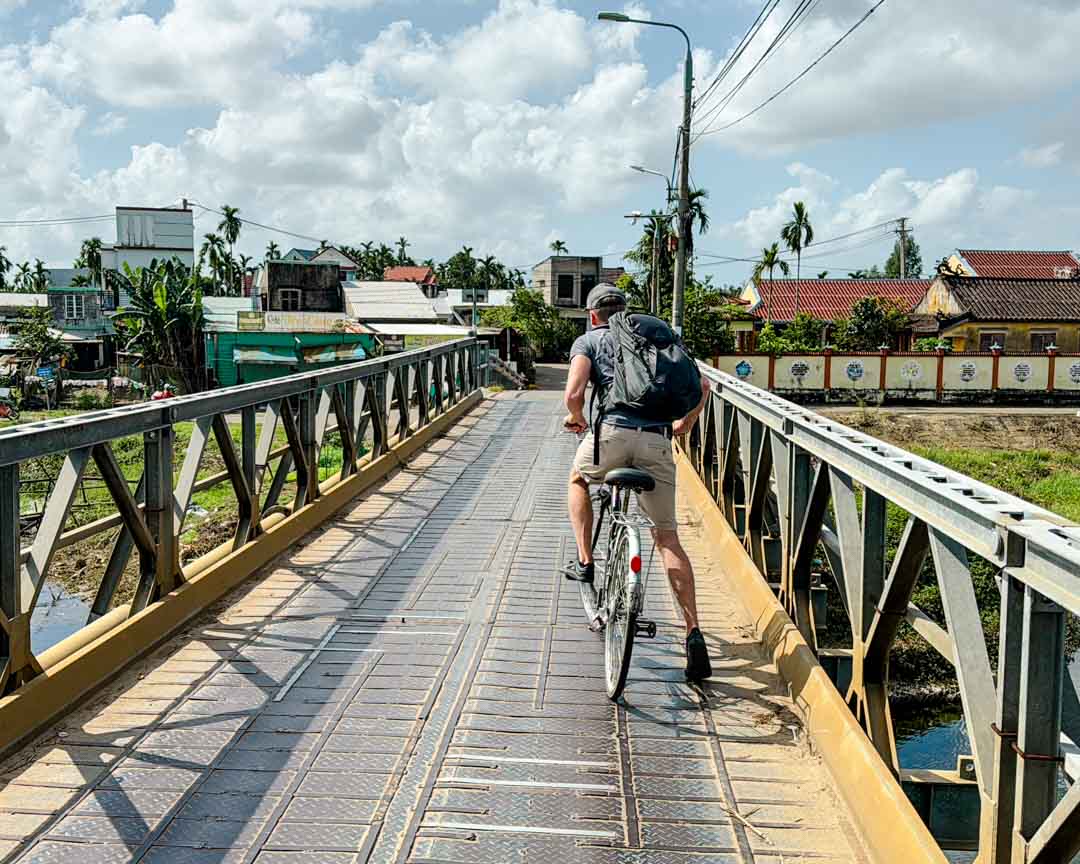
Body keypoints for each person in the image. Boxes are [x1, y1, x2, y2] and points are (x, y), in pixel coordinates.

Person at [563, 283, 712, 681]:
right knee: (667, 538)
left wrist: (577, 419)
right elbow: (703, 386)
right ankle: (694, 632)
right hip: (658, 442)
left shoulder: (590, 339)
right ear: (627, 311)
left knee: (578, 479)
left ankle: (585, 560)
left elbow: (574, 393)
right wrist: (685, 422)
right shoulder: (654, 336)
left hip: (610, 435)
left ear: (593, 314)